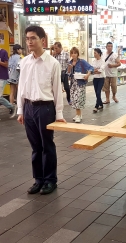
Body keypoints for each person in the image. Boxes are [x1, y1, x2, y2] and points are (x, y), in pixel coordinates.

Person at [17, 26, 66, 195]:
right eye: (27, 39)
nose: (29, 42)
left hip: (45, 108)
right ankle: (38, 180)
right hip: (29, 107)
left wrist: (59, 114)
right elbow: (21, 88)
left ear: (42, 40)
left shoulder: (52, 63)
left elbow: (57, 90)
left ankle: (50, 180)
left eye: (33, 38)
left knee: (47, 146)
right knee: (35, 147)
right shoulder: (24, 62)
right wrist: (20, 110)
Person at [68, 47, 93, 123]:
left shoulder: (82, 62)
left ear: (78, 54)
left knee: (78, 99)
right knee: (74, 99)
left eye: (75, 53)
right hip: (73, 83)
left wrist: (87, 75)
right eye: (72, 53)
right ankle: (78, 114)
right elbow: (68, 74)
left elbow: (90, 68)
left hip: (80, 83)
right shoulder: (70, 62)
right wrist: (69, 69)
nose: (73, 55)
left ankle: (78, 115)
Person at [0, 47, 17, 118]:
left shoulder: (3, 52)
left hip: (2, 77)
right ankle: (11, 106)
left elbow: (7, 64)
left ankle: (11, 106)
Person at [91, 48, 105, 113]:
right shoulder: (93, 61)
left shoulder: (102, 61)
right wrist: (96, 70)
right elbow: (91, 70)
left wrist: (96, 70)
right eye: (94, 53)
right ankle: (101, 104)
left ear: (99, 53)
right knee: (96, 93)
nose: (94, 54)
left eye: (95, 53)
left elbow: (101, 70)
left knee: (98, 92)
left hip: (101, 78)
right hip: (95, 79)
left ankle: (96, 106)